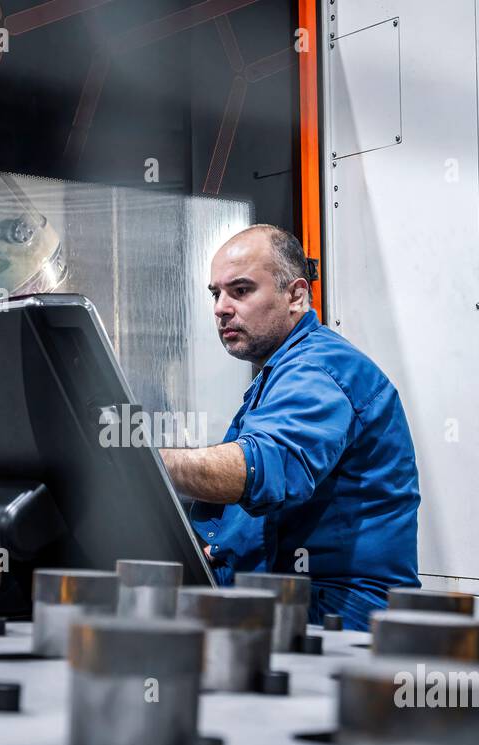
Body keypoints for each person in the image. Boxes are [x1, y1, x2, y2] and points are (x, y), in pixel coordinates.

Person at [159, 224, 420, 630]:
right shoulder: (279, 375)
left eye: (241, 290)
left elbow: (264, 467)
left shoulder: (319, 369)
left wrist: (147, 465)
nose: (221, 308)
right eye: (216, 293)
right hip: (296, 607)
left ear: (296, 295)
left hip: (340, 624)